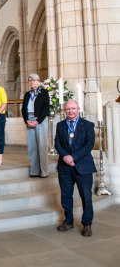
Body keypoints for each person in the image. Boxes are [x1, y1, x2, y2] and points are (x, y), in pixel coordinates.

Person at [55, 100, 96, 237]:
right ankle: (68, 221)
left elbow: (89, 145)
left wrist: (73, 158)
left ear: (78, 109)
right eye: (68, 109)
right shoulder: (60, 125)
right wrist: (66, 156)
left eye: (73, 108)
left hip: (83, 166)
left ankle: (87, 224)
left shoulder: (88, 125)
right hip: (65, 167)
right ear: (64, 111)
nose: (70, 111)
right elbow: (57, 143)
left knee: (86, 196)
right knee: (66, 195)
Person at [21, 74, 49, 178]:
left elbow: (46, 109)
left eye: (34, 80)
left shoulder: (44, 93)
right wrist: (26, 120)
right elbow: (23, 109)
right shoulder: (27, 94)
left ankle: (44, 171)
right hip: (29, 119)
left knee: (41, 145)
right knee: (32, 147)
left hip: (40, 120)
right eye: (30, 80)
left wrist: (37, 121)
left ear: (38, 82)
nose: (32, 82)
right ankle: (34, 171)